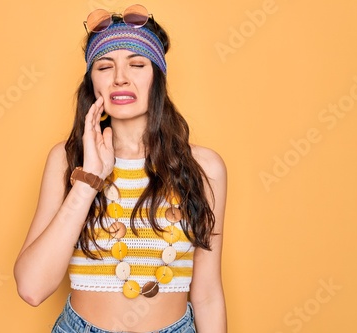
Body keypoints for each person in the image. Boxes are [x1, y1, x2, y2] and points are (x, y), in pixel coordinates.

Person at [14, 4, 227, 332]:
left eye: (137, 64)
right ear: (92, 82)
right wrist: (88, 181)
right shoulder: (67, 159)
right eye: (104, 66)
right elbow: (31, 288)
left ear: (157, 76)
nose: (120, 78)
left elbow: (208, 293)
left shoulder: (204, 167)